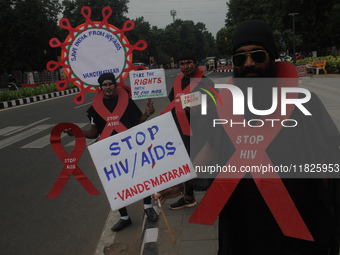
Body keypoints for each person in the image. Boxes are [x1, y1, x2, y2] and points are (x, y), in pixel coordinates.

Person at [155, 20, 340, 255]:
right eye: (240, 58)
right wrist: (182, 180)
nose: (249, 63)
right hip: (242, 226)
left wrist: (326, 219)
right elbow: (209, 151)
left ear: (272, 57)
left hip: (296, 229)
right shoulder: (223, 105)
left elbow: (324, 165)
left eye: (257, 55)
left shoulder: (305, 102)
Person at [65, 72, 158, 232]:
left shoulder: (126, 102)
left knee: (142, 174)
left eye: (110, 84)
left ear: (115, 85)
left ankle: (148, 206)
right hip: (111, 151)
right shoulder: (94, 109)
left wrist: (146, 114)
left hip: (131, 145)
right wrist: (76, 133)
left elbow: (136, 122)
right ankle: (124, 217)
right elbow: (94, 133)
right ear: (100, 88)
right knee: (116, 182)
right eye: (104, 85)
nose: (108, 87)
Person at [163, 49, 214, 210]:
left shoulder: (206, 83)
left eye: (188, 63)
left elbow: (215, 106)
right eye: (182, 64)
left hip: (201, 132)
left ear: (196, 63)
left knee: (205, 165)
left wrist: (202, 110)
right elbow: (173, 101)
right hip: (181, 131)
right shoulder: (178, 82)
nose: (185, 67)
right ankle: (188, 197)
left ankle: (214, 200)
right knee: (185, 165)